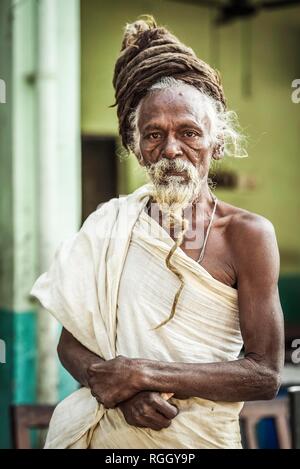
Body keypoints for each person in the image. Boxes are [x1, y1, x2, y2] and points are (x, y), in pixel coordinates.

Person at [31, 16, 284, 449]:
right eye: (154, 135)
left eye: (189, 133)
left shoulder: (248, 235)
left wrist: (143, 373)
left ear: (216, 144)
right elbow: (68, 347)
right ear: (135, 146)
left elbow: (264, 375)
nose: (170, 149)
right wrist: (119, 390)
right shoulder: (109, 226)